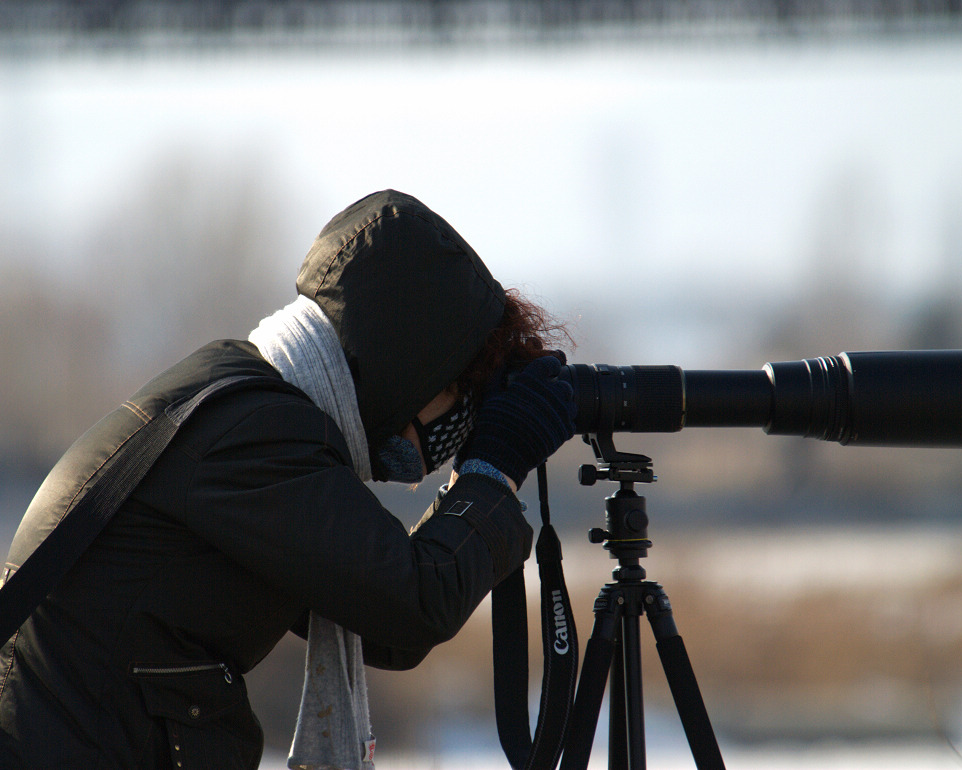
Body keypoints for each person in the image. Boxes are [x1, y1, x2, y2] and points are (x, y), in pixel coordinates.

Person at [0, 190, 577, 769]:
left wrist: (480, 481)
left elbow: (383, 624)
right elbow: (412, 603)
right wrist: (493, 468)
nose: (457, 427)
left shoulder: (243, 399)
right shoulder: (256, 434)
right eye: (460, 395)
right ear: (411, 365)